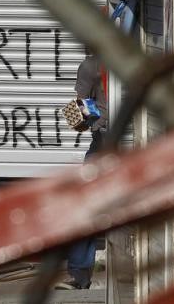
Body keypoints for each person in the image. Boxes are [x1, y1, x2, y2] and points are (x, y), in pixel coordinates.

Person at [56, 51, 108, 290]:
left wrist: (93, 124)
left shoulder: (91, 65)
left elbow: (77, 112)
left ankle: (79, 274)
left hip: (104, 143)